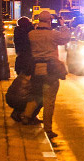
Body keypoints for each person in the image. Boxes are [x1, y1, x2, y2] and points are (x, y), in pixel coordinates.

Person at [25, 10, 71, 139]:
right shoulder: (53, 35)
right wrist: (63, 25)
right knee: (49, 100)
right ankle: (48, 129)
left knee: (35, 94)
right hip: (50, 70)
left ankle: (26, 115)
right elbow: (66, 38)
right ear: (50, 21)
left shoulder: (32, 34)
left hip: (36, 69)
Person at [11, 17, 40, 124]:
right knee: (32, 90)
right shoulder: (29, 33)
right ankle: (28, 114)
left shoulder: (17, 32)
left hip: (20, 62)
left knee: (23, 90)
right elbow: (32, 45)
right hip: (28, 63)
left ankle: (20, 112)